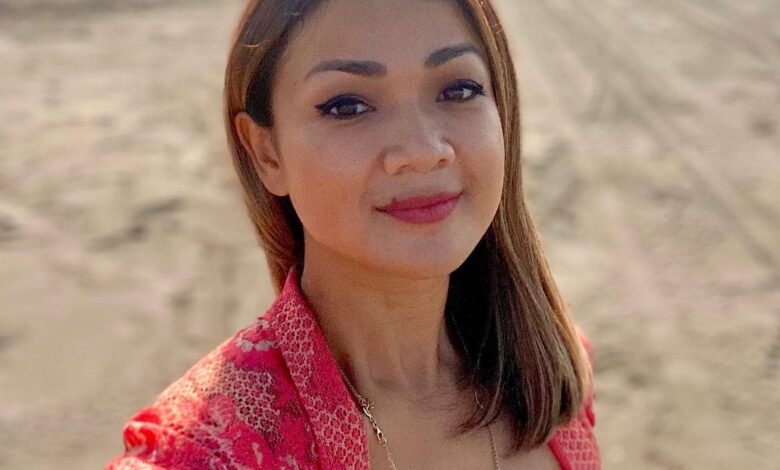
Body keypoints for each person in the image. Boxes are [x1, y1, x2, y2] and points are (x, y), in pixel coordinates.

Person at [106, 0, 601, 468]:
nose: (423, 151)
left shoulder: (551, 371)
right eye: (348, 106)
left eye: (458, 90)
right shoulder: (206, 453)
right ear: (266, 154)